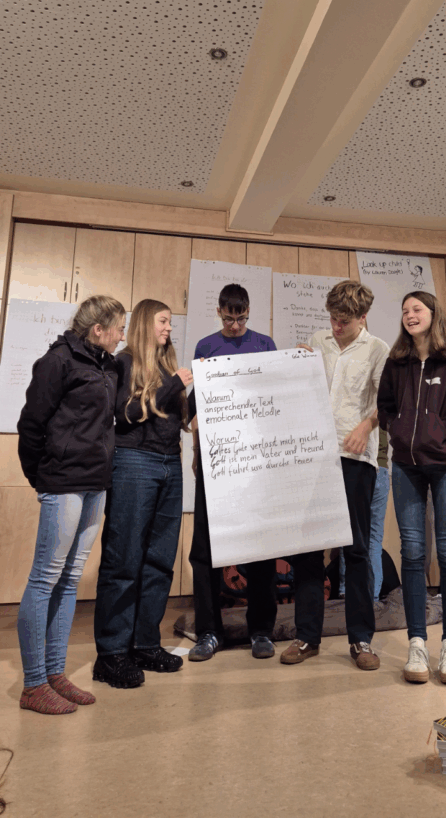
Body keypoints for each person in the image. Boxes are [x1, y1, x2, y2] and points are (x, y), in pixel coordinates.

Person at [17, 295, 126, 715]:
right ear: (98, 330)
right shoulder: (58, 361)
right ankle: (33, 684)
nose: (121, 335)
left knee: (69, 578)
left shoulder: (108, 366)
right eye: (118, 328)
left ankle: (54, 673)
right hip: (63, 483)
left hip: (96, 484)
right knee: (45, 577)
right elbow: (31, 425)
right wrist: (42, 477)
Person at [377, 291, 446, 685]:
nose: (410, 315)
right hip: (406, 467)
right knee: (412, 551)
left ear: (433, 314)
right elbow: (385, 406)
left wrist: (442, 432)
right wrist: (399, 428)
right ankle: (417, 644)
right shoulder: (397, 362)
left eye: (417, 309)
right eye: (405, 310)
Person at [280, 280, 389, 671]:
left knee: (356, 550)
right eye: (332, 319)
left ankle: (360, 639)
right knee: (308, 549)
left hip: (355, 458)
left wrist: (366, 426)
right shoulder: (318, 340)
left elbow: (387, 402)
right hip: (313, 456)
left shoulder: (378, 350)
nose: (336, 326)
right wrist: (295, 364)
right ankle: (307, 637)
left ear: (363, 318)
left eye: (344, 321)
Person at [93, 299, 196, 689]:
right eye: (163, 321)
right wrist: (174, 385)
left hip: (170, 464)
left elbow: (179, 416)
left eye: (169, 322)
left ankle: (144, 645)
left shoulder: (168, 366)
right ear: (144, 323)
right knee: (124, 560)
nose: (169, 328)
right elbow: (125, 415)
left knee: (159, 562)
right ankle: (112, 654)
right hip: (135, 462)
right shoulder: (124, 362)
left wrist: (203, 390)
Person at [188, 283, 279, 663]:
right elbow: (196, 409)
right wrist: (197, 452)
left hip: (255, 463)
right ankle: (210, 631)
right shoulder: (205, 347)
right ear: (219, 312)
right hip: (216, 461)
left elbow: (277, 397)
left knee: (261, 548)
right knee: (205, 550)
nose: (236, 325)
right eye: (229, 319)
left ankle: (261, 630)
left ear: (248, 312)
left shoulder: (265, 345)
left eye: (242, 318)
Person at [339, 427, 390, 602]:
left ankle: (347, 592)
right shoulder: (380, 411)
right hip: (381, 467)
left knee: (350, 534)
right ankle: (372, 595)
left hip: (357, 464)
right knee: (374, 538)